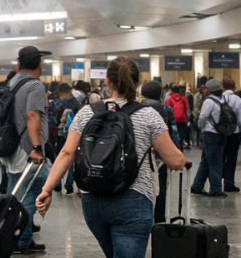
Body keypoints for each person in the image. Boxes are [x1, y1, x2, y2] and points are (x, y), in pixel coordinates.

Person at [36, 57, 185, 258]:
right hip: (134, 199)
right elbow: (174, 161)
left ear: (107, 81)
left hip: (93, 199)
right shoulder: (148, 115)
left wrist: (47, 190)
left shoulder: (87, 112)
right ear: (137, 82)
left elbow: (66, 153)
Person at [1, 46, 52, 254]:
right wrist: (37, 148)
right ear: (40, 64)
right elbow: (32, 115)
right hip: (27, 149)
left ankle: (21, 238)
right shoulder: (35, 86)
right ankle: (19, 237)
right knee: (41, 187)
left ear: (19, 64)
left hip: (11, 147)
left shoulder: (12, 82)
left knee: (19, 193)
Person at [139, 80, 177, 223]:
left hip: (140, 156)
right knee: (160, 189)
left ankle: (142, 218)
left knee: (140, 187)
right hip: (160, 156)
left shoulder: (136, 108)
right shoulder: (166, 110)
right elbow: (174, 134)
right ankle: (159, 220)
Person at [192, 78, 232, 196]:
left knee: (213, 161)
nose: (205, 90)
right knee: (210, 160)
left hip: (210, 134)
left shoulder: (209, 101)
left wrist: (200, 128)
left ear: (209, 90)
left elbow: (203, 117)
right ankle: (197, 186)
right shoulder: (223, 99)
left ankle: (214, 188)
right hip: (222, 133)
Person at [51, 82, 81, 194]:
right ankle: (69, 185)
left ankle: (57, 184)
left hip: (59, 134)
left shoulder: (59, 103)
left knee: (59, 157)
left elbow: (54, 117)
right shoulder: (76, 103)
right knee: (71, 159)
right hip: (73, 134)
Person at [220, 79, 241, 192]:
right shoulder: (237, 99)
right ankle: (229, 183)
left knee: (220, 156)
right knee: (232, 158)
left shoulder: (219, 97)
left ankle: (217, 181)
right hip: (234, 131)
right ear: (234, 88)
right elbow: (240, 118)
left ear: (223, 86)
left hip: (221, 131)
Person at [165, 83, 191, 149]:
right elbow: (187, 109)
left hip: (173, 120)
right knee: (182, 134)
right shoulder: (183, 98)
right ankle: (181, 146)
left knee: (174, 134)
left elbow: (167, 110)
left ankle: (175, 147)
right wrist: (187, 118)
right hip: (182, 119)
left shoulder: (169, 98)